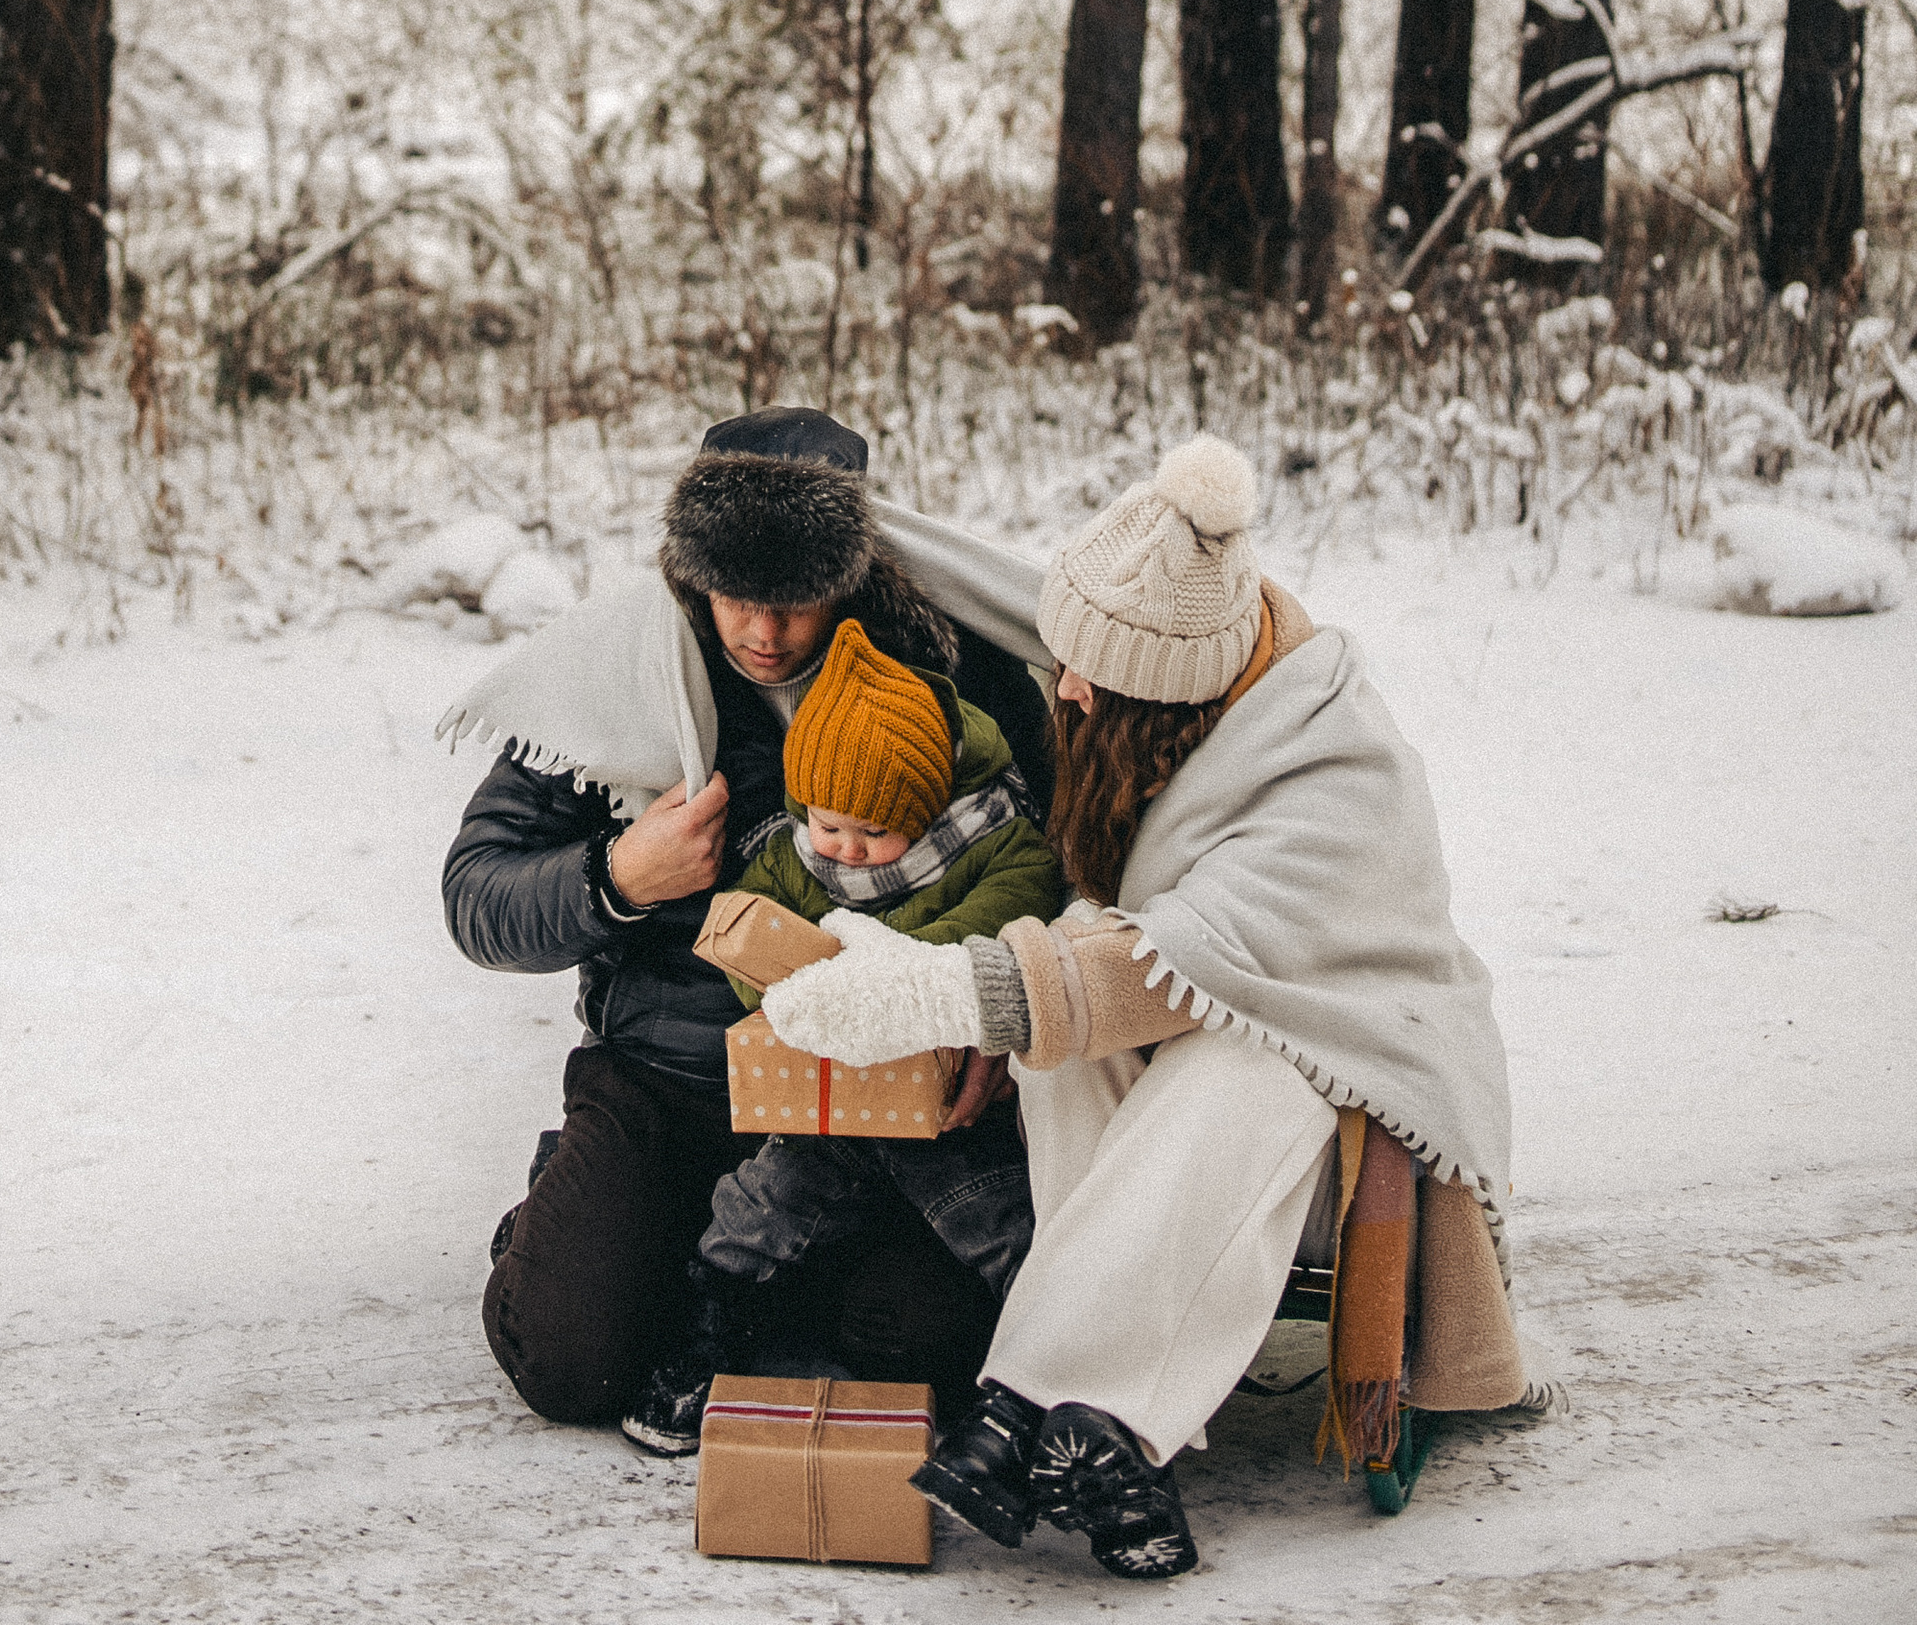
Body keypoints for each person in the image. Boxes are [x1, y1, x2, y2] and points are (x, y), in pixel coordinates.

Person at [763, 436, 1534, 1582]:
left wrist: (938, 990)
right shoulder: (1177, 694)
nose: (1062, 688)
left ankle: (1032, 1399)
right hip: (1199, 1132)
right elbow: (1114, 957)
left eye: (1087, 678)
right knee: (1065, 1057)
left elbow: (1163, 969)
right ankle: (1114, 1450)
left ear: (1163, 693)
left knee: (1247, 1070)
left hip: (1352, 1115)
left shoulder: (1336, 778)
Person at [439, 408, 1056, 1426]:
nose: (763, 634)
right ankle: (598, 1217)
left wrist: (1005, 1009)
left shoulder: (950, 668)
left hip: (885, 1094)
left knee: (929, 1344)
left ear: (852, 573)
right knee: (565, 1360)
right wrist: (617, 875)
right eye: (735, 597)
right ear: (692, 571)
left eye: (797, 601)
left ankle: (758, 1271)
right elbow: (475, 895)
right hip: (673, 1082)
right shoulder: (614, 671)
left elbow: (1054, 863)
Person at [618, 612, 1062, 1456]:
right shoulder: (796, 856)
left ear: (930, 812)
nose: (849, 853)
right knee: (758, 1208)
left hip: (946, 1110)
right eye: (831, 827)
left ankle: (1048, 1381)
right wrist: (784, 971)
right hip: (828, 1102)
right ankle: (705, 1340)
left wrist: (886, 974)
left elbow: (1006, 914)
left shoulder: (994, 847)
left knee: (1002, 1224)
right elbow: (746, 925)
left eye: (876, 834)